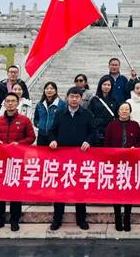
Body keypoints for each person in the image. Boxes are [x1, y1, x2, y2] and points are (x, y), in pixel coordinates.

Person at [49, 87, 96, 231]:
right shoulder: (59, 113)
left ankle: (81, 219)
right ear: (67, 97)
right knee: (60, 189)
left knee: (80, 189)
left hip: (80, 157)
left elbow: (93, 132)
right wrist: (53, 140)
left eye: (77, 97)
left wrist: (88, 141)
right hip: (62, 158)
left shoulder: (87, 114)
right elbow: (52, 131)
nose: (74, 99)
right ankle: (57, 219)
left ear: (81, 99)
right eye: (72, 96)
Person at [0, 92, 36, 232]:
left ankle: (15, 220)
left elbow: (31, 137)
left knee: (15, 191)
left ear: (17, 103)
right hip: (0, 161)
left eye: (13, 101)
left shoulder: (24, 120)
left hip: (16, 161)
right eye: (8, 101)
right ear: (4, 103)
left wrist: (19, 144)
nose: (10, 103)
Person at [104, 102, 140, 231]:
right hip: (115, 163)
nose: (124, 111)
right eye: (122, 109)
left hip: (130, 163)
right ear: (118, 112)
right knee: (116, 192)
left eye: (127, 109)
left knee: (128, 191)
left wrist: (135, 148)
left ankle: (127, 218)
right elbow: (106, 143)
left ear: (130, 111)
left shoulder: (135, 125)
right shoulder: (112, 125)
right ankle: (117, 218)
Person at [88, 75, 118, 147]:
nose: (106, 87)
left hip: (110, 129)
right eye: (104, 84)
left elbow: (117, 115)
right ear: (100, 85)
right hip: (97, 129)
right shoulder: (94, 99)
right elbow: (89, 114)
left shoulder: (114, 100)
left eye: (109, 85)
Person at [34, 82, 66, 146]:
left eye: (51, 88)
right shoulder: (40, 104)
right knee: (41, 152)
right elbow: (36, 118)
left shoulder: (62, 104)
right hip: (42, 135)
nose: (49, 90)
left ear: (55, 91)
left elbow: (65, 119)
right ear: (44, 90)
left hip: (55, 135)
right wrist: (38, 124)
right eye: (47, 88)